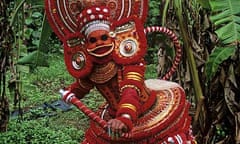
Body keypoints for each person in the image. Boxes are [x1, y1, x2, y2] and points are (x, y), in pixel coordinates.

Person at [46, 1, 195, 143]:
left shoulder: (128, 63)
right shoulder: (92, 68)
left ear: (112, 37)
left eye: (103, 38)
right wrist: (70, 94)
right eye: (93, 40)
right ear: (86, 44)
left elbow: (130, 89)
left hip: (144, 112)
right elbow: (82, 86)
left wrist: (124, 117)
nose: (99, 43)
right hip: (114, 116)